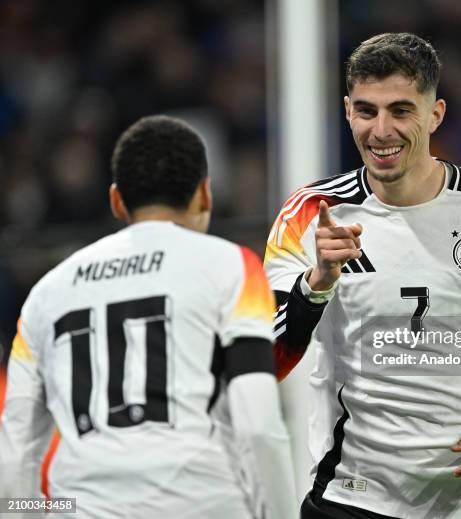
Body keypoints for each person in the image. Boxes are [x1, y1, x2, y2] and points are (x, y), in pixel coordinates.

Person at [264, 33, 461, 519]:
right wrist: (316, 284)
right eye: (367, 111)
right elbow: (268, 358)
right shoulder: (311, 212)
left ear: (435, 114)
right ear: (348, 110)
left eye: (401, 110)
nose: (382, 130)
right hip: (351, 494)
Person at [0, 115, 298, 519]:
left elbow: (16, 454)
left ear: (117, 200)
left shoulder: (45, 294)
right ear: (205, 194)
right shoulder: (232, 267)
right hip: (204, 502)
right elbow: (259, 425)